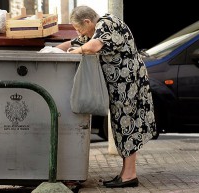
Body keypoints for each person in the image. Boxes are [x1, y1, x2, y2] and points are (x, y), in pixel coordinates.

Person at [57, 6, 157, 188]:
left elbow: (92, 47)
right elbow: (75, 42)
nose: (78, 32)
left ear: (87, 21)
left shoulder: (107, 23)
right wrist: (51, 52)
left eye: (78, 27)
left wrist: (76, 52)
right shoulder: (94, 31)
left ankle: (129, 176)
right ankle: (126, 174)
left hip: (128, 85)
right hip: (120, 87)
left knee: (127, 125)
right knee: (121, 125)